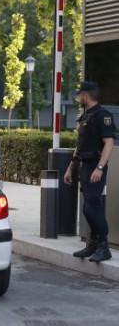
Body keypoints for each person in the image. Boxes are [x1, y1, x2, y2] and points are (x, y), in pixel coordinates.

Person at [64, 82, 115, 263]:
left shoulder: (102, 115)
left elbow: (109, 143)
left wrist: (100, 168)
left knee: (91, 207)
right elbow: (80, 146)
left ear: (86, 95)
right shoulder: (86, 116)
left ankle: (103, 246)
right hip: (84, 166)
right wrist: (71, 168)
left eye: (80, 95)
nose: (79, 98)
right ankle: (93, 244)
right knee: (88, 207)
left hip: (95, 165)